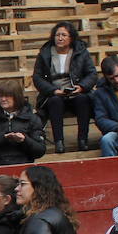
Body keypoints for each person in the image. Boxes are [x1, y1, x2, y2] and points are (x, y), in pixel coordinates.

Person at [31, 21, 97, 153]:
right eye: (57, 35)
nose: (60, 38)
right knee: (55, 101)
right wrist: (53, 90)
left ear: (71, 37)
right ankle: (59, 142)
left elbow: (92, 74)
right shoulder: (45, 53)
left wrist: (81, 87)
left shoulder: (81, 52)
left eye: (64, 35)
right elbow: (37, 77)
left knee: (83, 100)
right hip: (54, 92)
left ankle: (82, 140)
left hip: (76, 91)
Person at [0, 79, 47, 168]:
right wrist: (3, 137)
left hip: (22, 165)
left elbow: (40, 150)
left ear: (17, 97)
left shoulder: (32, 118)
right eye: (0, 96)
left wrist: (24, 140)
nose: (3, 99)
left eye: (7, 96)